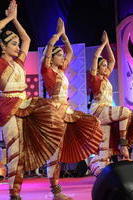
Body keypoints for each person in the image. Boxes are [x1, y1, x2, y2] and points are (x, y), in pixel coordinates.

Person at [0, 1, 65, 199]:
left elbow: (26, 39)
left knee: (53, 137)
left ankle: (55, 190)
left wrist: (16, 20)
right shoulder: (1, 63)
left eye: (17, 44)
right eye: (13, 43)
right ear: (2, 45)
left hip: (25, 106)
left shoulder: (18, 62)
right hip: (8, 109)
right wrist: (9, 18)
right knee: (14, 154)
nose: (18, 46)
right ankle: (14, 194)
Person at [41, 18, 103, 200]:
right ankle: (56, 192)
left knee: (89, 127)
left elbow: (69, 52)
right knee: (55, 152)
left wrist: (65, 36)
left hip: (66, 110)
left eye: (61, 56)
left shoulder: (60, 71)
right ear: (51, 57)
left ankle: (97, 167)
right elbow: (48, 53)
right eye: (58, 55)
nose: (62, 57)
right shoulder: (47, 70)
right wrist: (57, 36)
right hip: (54, 112)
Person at [88, 31, 133, 176]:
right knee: (125, 112)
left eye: (105, 65)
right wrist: (102, 45)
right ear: (97, 68)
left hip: (106, 113)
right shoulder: (95, 79)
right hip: (99, 110)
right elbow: (96, 57)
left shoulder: (105, 78)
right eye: (102, 65)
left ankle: (97, 168)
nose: (105, 67)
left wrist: (108, 44)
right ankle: (123, 146)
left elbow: (112, 61)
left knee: (104, 152)